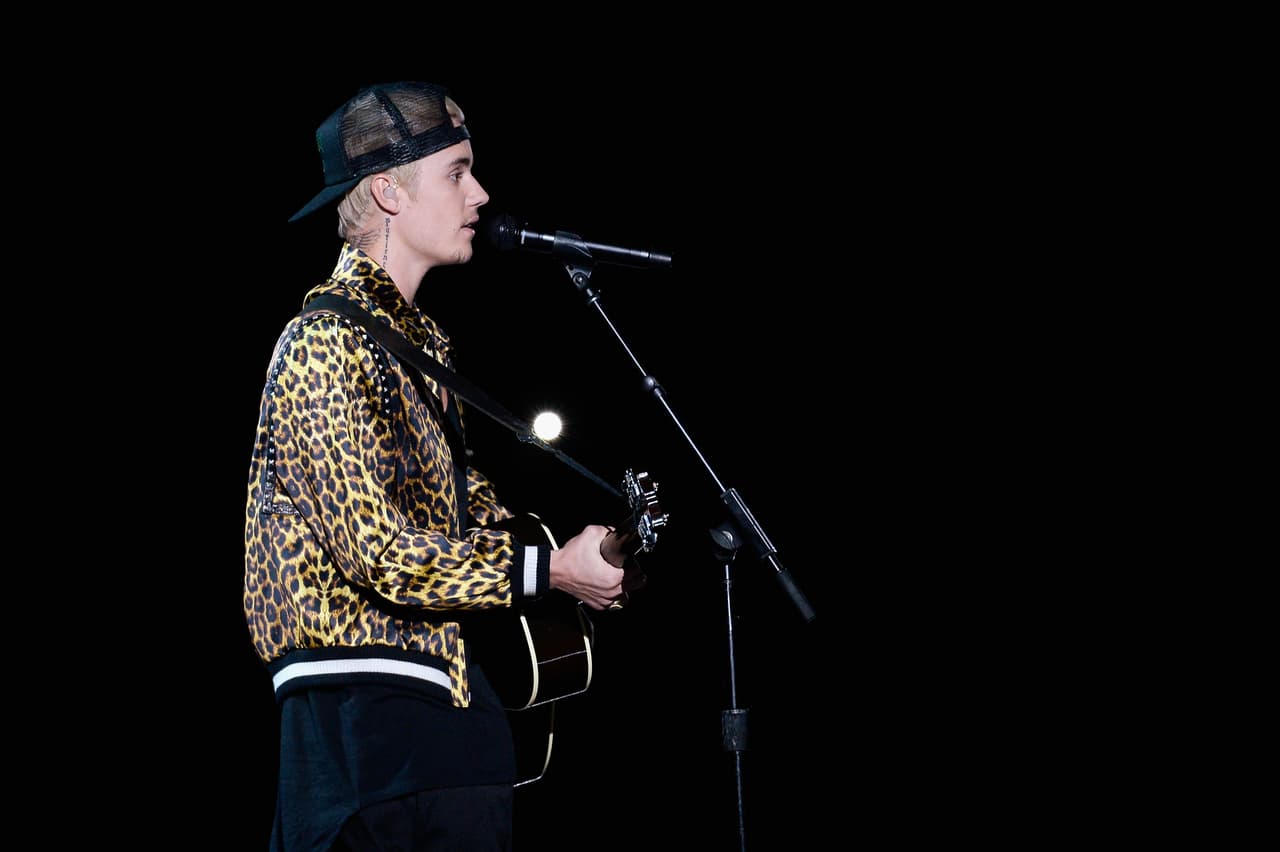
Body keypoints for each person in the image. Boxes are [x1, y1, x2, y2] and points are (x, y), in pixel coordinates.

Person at [243, 81, 627, 852]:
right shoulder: (324, 340)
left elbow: (472, 519)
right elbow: (378, 551)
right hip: (362, 722)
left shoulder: (421, 347)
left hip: (444, 719)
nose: (479, 194)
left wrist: (591, 558)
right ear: (388, 192)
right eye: (456, 172)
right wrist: (549, 571)